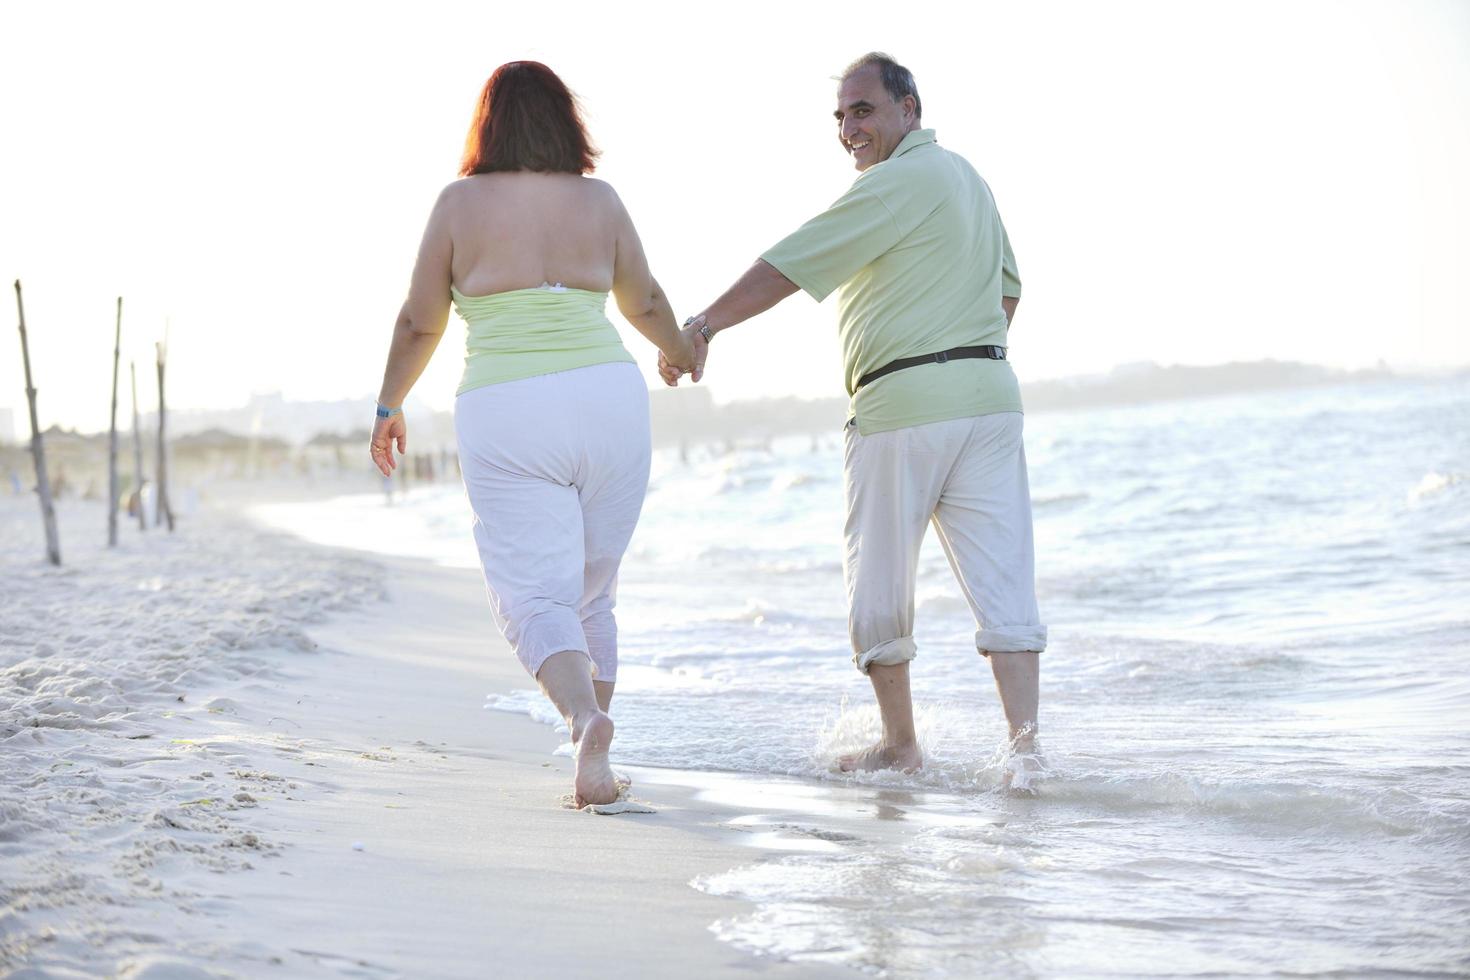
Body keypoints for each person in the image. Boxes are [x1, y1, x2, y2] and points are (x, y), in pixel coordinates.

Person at [660, 53, 1046, 780]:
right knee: (1008, 589)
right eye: (840, 116)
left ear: (910, 109)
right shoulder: (969, 180)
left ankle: (901, 747)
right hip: (991, 401)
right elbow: (1010, 292)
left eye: (862, 110)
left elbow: (789, 266)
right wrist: (961, 351)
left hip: (900, 408)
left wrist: (703, 327)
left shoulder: (897, 183)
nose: (848, 129)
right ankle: (1027, 758)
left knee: (877, 592)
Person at [371, 62, 695, 807]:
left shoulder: (459, 204)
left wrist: (390, 404)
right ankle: (597, 759)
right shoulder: (599, 201)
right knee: (594, 592)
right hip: (610, 400)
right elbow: (642, 298)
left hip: (509, 406)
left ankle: (585, 722)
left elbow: (421, 321)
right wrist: (679, 351)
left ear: (487, 125)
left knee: (531, 590)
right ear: (564, 123)